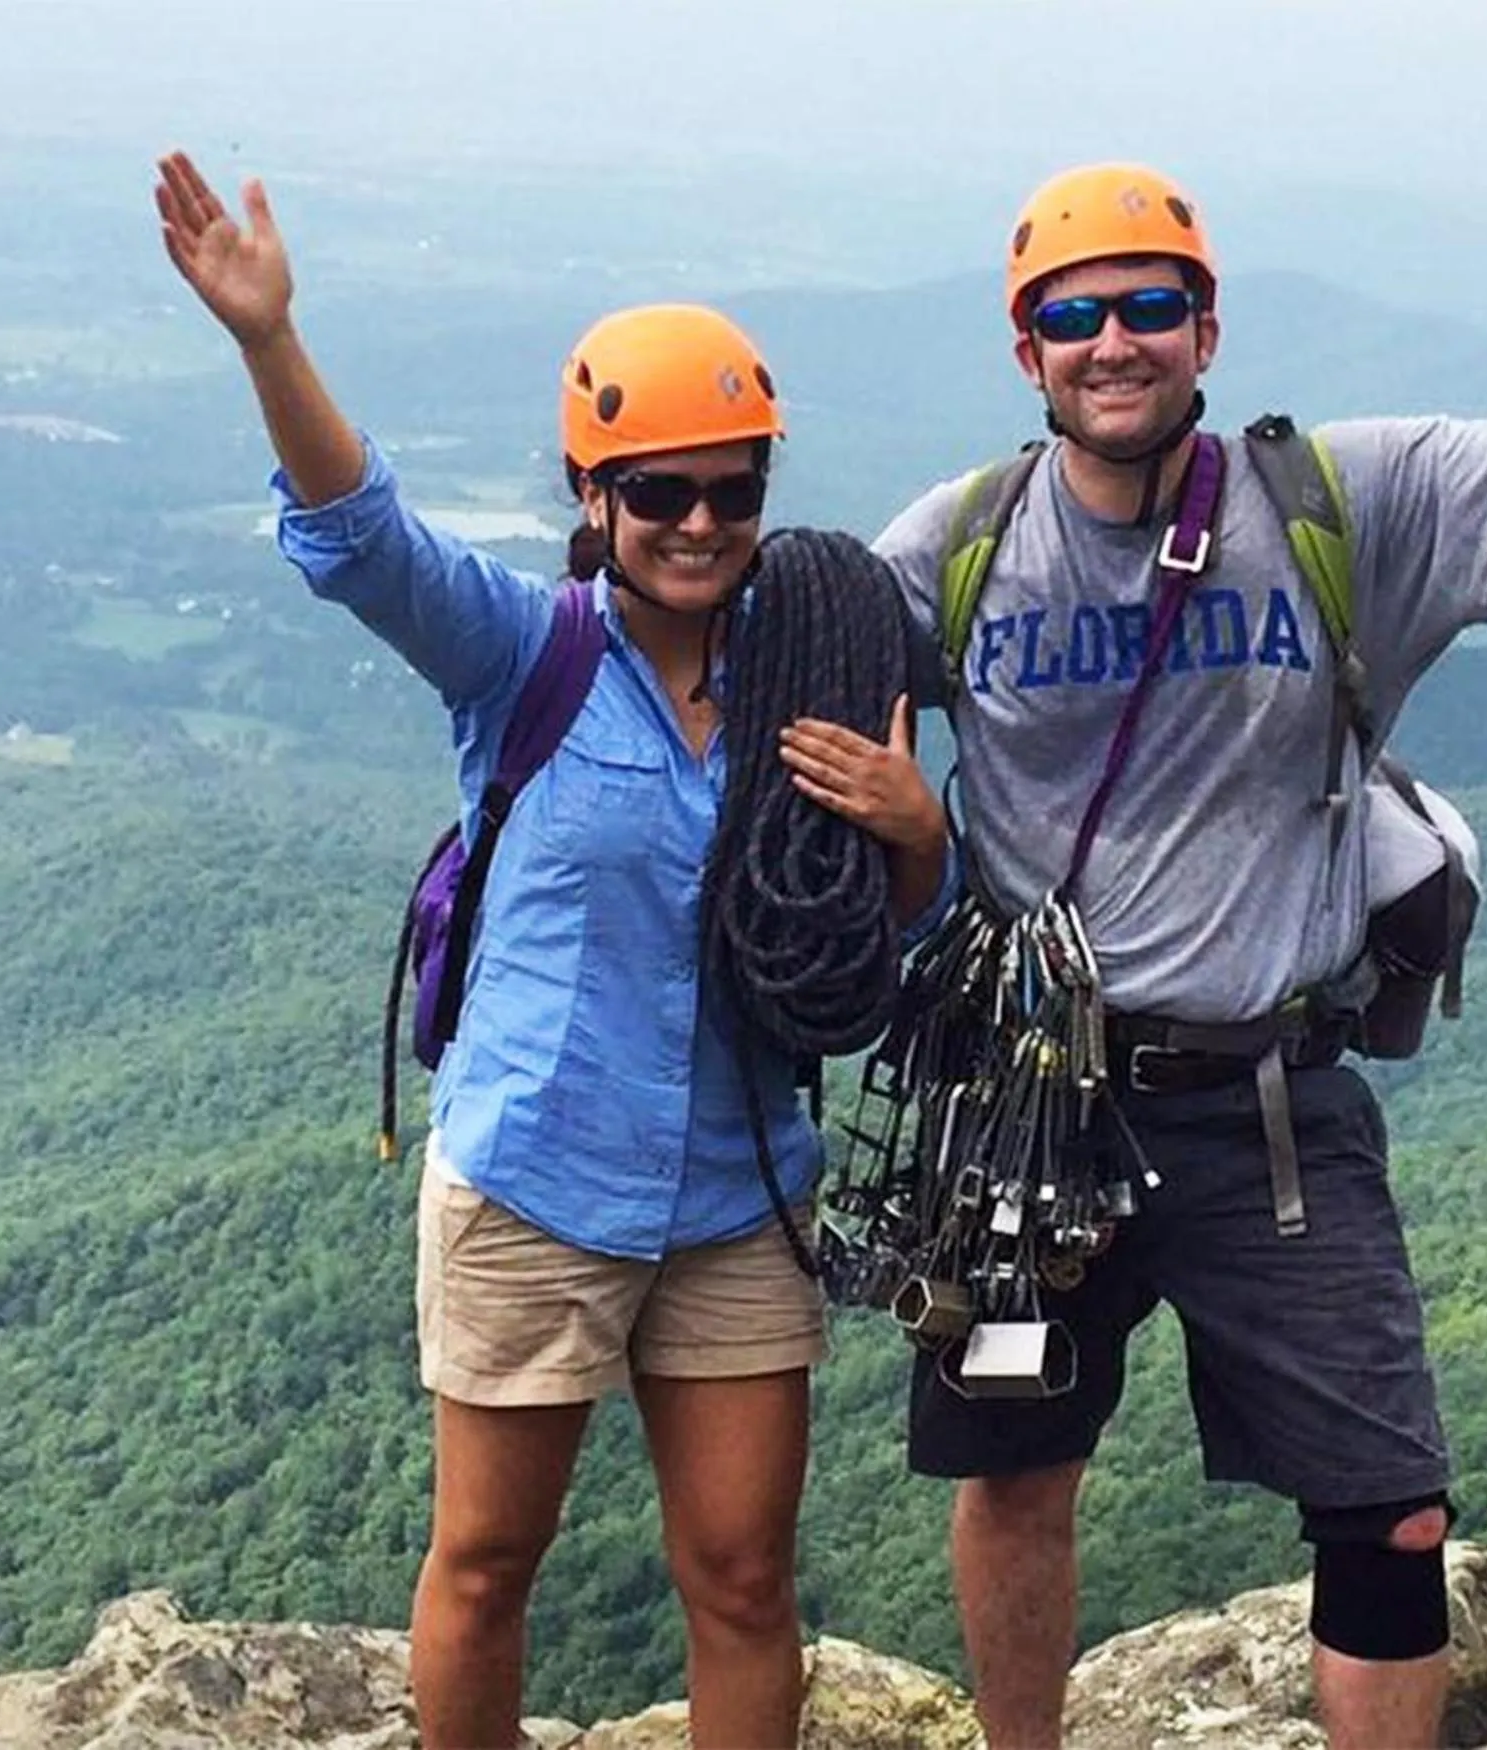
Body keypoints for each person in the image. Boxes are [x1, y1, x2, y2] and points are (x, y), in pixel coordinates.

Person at [869, 99, 1487, 1749]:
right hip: (1029, 1113)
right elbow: (762, 687)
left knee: (1390, 1511)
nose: (1113, 341)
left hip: (1271, 1103)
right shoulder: (957, 550)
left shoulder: (1334, 501)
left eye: (1149, 304)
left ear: (1206, 329)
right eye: (1075, 314)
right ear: (1028, 352)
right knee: (1014, 1476)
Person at [152, 150, 947, 1750]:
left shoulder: (815, 665)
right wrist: (268, 339)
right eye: (659, 491)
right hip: (536, 1172)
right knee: (487, 1561)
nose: (699, 523)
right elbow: (363, 539)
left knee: (744, 1576)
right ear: (595, 497)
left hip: (738, 1182)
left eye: (731, 491)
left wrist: (917, 832)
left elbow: (876, 936)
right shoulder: (527, 652)